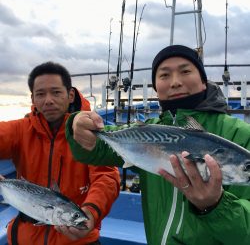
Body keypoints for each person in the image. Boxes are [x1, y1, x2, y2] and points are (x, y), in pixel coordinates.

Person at [65, 45, 250, 244]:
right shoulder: (148, 131)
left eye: (185, 71)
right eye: (164, 75)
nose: (176, 82)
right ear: (156, 87)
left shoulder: (240, 134)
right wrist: (77, 123)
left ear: (204, 81)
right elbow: (94, 147)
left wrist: (215, 205)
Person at [0, 61, 120, 245]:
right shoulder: (19, 130)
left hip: (79, 239)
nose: (48, 100)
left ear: (70, 95)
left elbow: (105, 176)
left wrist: (90, 212)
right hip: (25, 238)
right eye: (40, 94)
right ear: (33, 99)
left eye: (56, 92)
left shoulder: (89, 131)